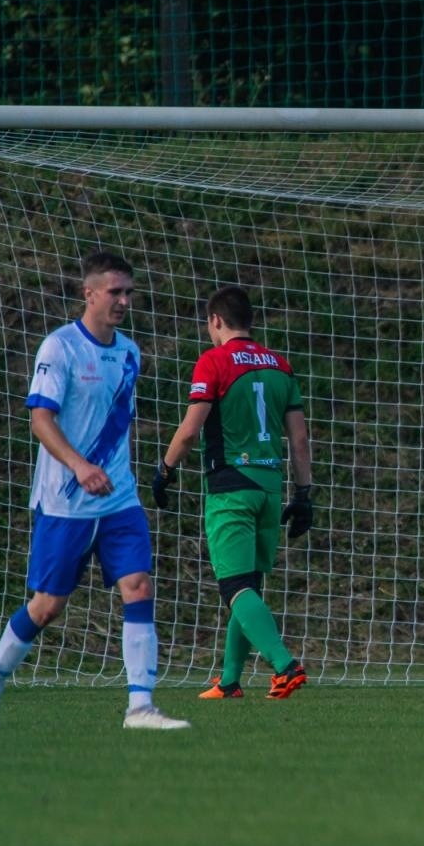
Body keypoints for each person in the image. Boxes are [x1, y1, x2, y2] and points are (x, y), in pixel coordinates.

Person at [0, 251, 190, 730]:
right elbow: (40, 419)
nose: (124, 301)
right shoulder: (59, 348)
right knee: (48, 606)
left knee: (138, 584)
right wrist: (80, 465)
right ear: (88, 293)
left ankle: (140, 706)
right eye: (115, 292)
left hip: (119, 498)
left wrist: (105, 470)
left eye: (128, 292)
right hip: (66, 500)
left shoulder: (130, 353)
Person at [154, 286, 312, 701]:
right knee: (250, 586)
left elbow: (190, 431)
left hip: (231, 487)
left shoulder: (215, 361)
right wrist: (304, 493)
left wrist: (165, 468)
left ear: (216, 321)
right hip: (270, 488)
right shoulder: (280, 364)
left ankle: (285, 664)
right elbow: (298, 439)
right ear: (251, 321)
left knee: (234, 587)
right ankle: (228, 681)